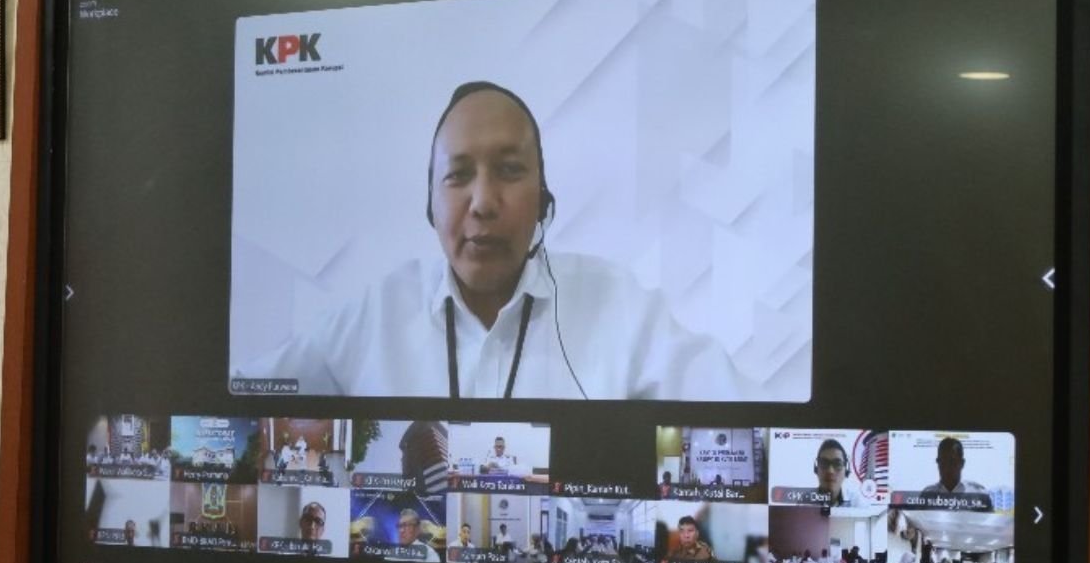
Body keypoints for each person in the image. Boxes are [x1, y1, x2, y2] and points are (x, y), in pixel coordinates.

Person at [240, 81, 758, 401]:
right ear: (430, 204)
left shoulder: (620, 307)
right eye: (458, 175)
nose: (484, 202)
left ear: (543, 200)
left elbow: (748, 418)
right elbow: (237, 397)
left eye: (509, 171)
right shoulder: (375, 315)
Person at [922, 438, 988, 494]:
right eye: (943, 462)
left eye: (952, 462)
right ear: (938, 462)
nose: (947, 468)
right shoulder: (927, 495)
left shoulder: (978, 493)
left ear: (962, 463)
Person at [814, 439, 862, 506]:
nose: (830, 471)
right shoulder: (802, 502)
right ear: (816, 469)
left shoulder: (857, 503)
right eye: (824, 463)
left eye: (837, 464)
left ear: (846, 470)